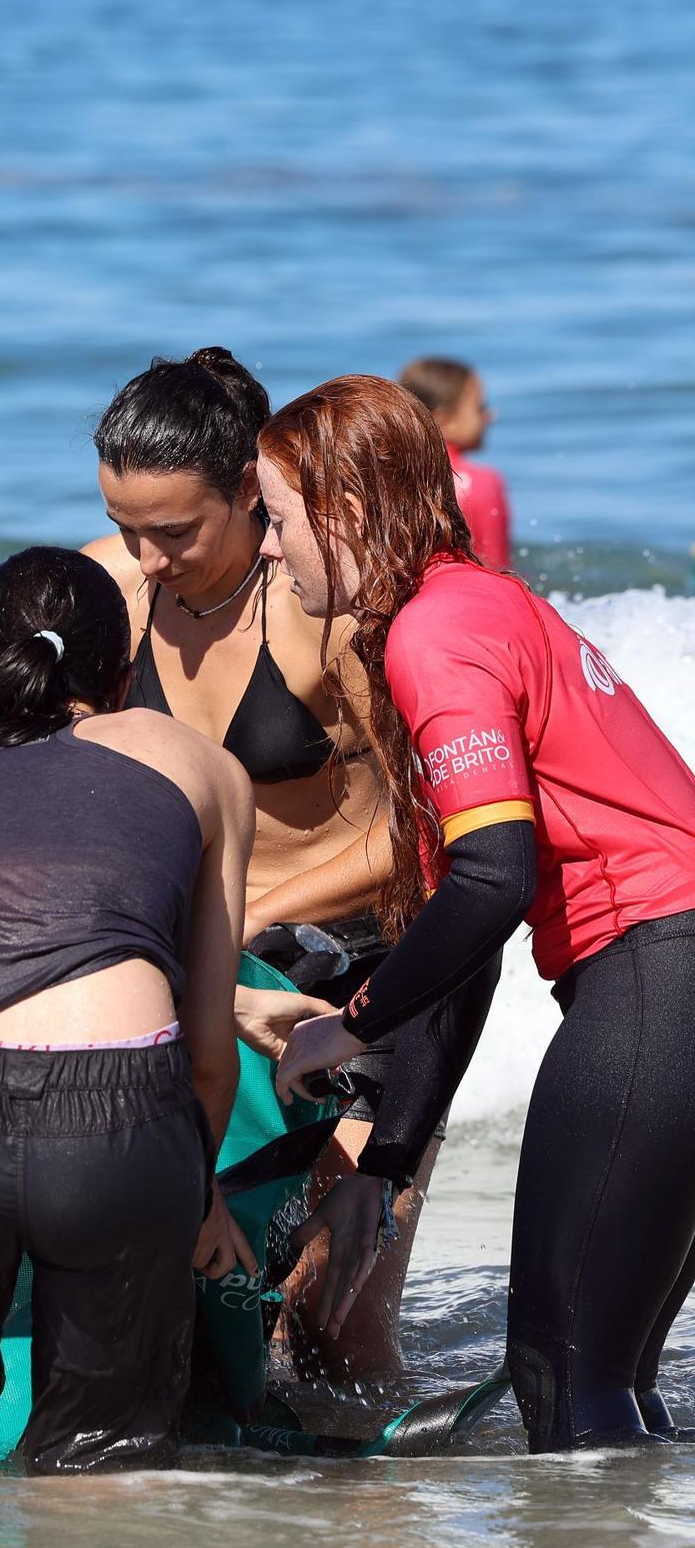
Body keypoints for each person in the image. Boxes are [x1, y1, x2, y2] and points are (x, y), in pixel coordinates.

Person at [261, 374, 695, 1452]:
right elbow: (465, 943)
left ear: (342, 513)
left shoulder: (431, 635)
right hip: (670, 985)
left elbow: (490, 883)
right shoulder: (483, 602)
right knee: (607, 1384)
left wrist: (347, 1021)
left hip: (654, 979)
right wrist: (386, 1167)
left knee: (560, 1380)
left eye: (275, 520)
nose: (268, 551)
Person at [80, 347, 499, 1378]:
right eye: (126, 526)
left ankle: (381, 1506)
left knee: (332, 1326)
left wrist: (243, 904)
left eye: (174, 532)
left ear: (251, 497)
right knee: (194, 1293)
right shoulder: (107, 593)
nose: (144, 558)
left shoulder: (324, 607)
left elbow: (424, 828)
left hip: (365, 984)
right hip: (202, 982)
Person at [0, 547, 256, 1471]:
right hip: (119, 1116)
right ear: (125, 668)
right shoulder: (206, 764)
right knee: (100, 1476)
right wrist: (196, 1196)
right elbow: (209, 1054)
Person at [399, 357, 509, 569]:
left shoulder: (390, 474)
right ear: (442, 420)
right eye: (480, 407)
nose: (490, 416)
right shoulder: (481, 483)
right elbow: (497, 569)